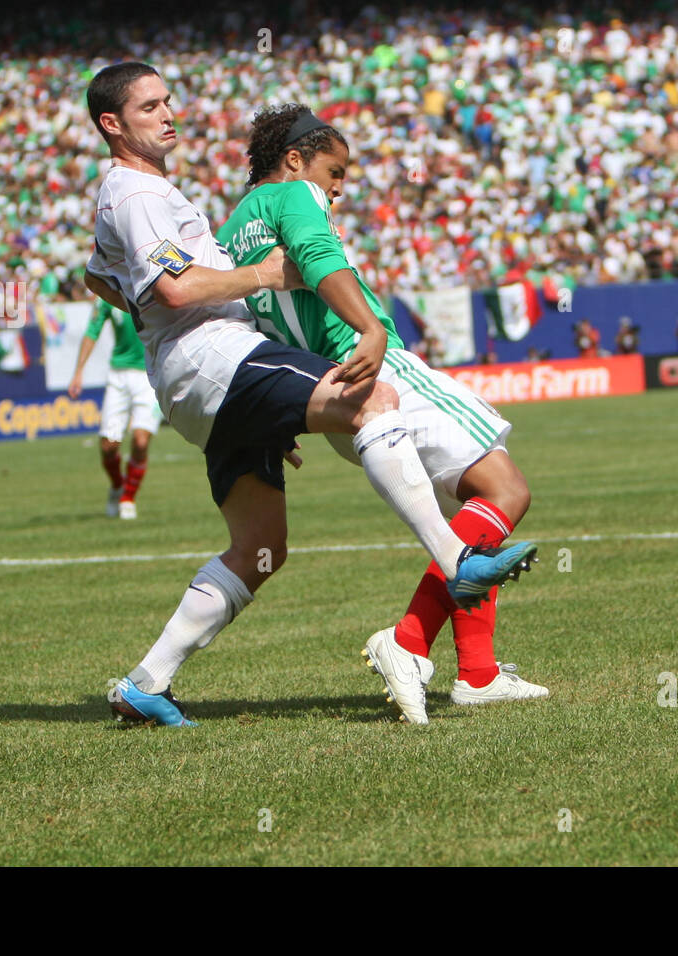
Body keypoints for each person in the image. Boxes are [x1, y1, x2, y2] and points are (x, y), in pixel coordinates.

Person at [81, 63, 537, 727]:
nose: (168, 113)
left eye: (168, 100)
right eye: (150, 106)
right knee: (381, 406)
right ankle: (445, 587)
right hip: (218, 360)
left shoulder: (156, 198)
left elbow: (100, 277)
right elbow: (182, 289)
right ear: (112, 123)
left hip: (209, 385)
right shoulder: (151, 194)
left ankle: (145, 683)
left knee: (260, 546)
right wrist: (321, 304)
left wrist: (263, 405)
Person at [215, 103, 548, 722]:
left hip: (337, 397)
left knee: (471, 514)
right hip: (377, 368)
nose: (339, 187)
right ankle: (408, 640)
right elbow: (319, 257)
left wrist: (283, 412)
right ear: (294, 160)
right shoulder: (294, 196)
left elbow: (249, 334)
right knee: (505, 490)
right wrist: (369, 328)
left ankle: (477, 672)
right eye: (334, 171)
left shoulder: (231, 232)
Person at [67, 298, 162, 520]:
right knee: (109, 445)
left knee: (140, 440)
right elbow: (93, 331)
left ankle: (128, 498)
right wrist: (78, 371)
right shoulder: (107, 294)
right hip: (118, 377)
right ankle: (118, 485)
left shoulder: (153, 285)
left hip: (150, 376)